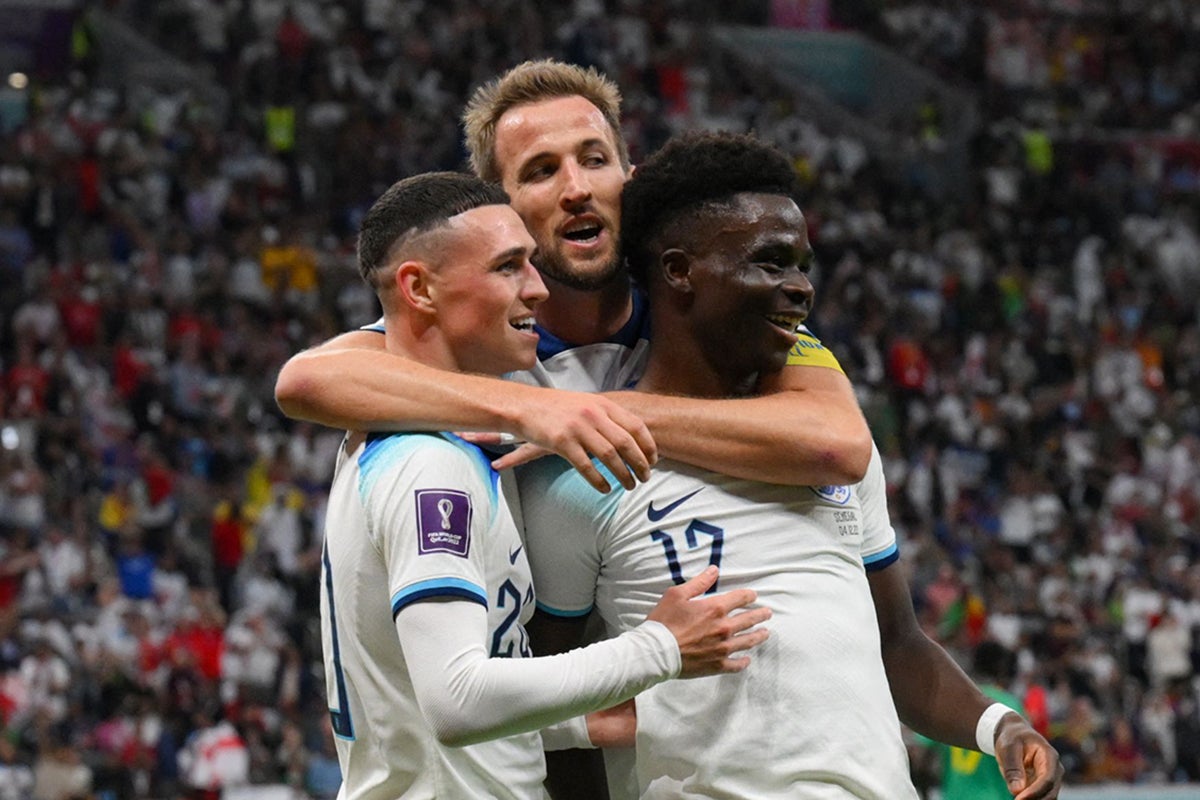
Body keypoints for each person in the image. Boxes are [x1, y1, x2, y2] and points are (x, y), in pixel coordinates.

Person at [518, 132, 1063, 799]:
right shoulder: (585, 470)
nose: (800, 287)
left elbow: (897, 642)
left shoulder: (829, 440)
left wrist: (999, 726)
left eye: (802, 264)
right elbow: (547, 701)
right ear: (680, 270)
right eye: (771, 262)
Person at [319, 170, 771, 800]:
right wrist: (659, 648)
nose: (536, 289)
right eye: (508, 268)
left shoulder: (446, 448)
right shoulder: (429, 466)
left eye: (531, 264)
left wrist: (581, 724)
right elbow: (457, 700)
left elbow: (423, 701)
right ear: (418, 288)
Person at [274, 59, 872, 495]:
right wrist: (525, 410)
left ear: (627, 176)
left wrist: (595, 412)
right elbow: (308, 380)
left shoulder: (698, 305)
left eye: (593, 160)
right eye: (540, 171)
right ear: (500, 207)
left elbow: (837, 442)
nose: (577, 189)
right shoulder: (480, 329)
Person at [917, 641, 1031, 799]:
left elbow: (921, 757)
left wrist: (925, 795)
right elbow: (1028, 763)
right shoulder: (1009, 706)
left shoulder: (949, 702)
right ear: (1001, 668)